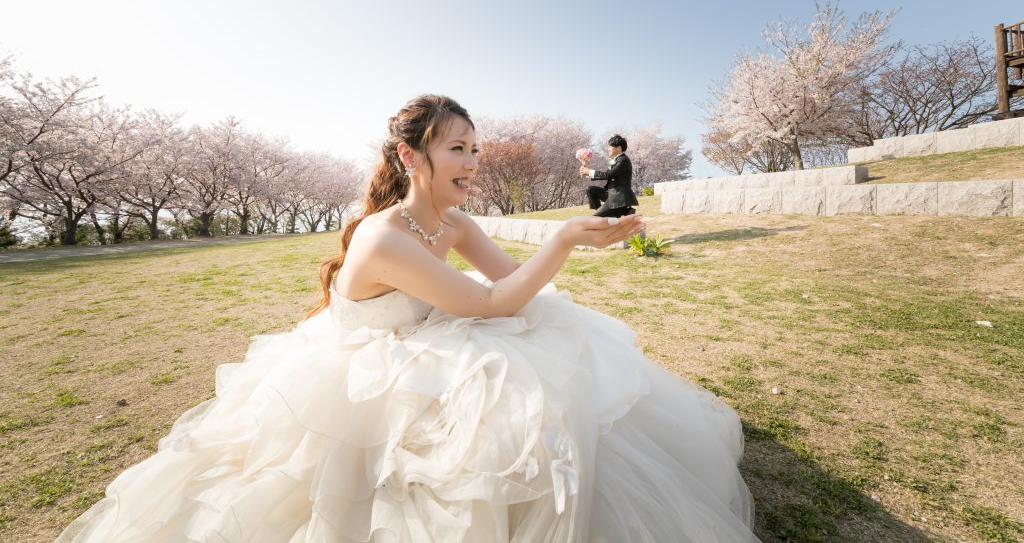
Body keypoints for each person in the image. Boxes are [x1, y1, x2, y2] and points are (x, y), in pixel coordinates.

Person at [56, 95, 759, 543]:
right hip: (360, 377)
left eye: (475, 150)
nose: (472, 162)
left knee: (545, 377)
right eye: (458, 148)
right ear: (409, 155)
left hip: (426, 343)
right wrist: (566, 238)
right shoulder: (385, 237)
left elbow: (510, 282)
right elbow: (487, 303)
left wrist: (570, 243)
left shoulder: (449, 220)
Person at [581, 134, 639, 218]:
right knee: (590, 190)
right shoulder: (616, 160)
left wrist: (590, 171)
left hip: (619, 197)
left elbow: (609, 175)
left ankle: (610, 213)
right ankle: (606, 213)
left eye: (610, 147)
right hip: (611, 194)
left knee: (595, 217)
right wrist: (587, 173)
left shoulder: (623, 160)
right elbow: (606, 175)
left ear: (618, 148)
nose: (608, 149)